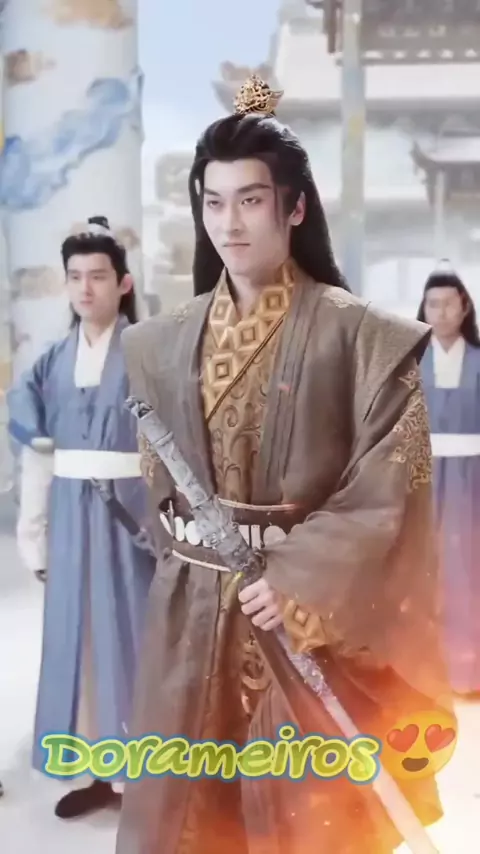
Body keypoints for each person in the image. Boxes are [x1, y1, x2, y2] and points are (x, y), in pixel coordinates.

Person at [115, 77, 453, 854]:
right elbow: (159, 489)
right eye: (213, 202)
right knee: (189, 814)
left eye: (251, 200)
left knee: (306, 816)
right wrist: (189, 565)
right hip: (194, 613)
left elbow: (391, 486)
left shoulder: (361, 338)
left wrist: (300, 577)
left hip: (305, 612)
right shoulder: (159, 343)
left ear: (294, 208)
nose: (229, 223)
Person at [7, 217, 156, 819]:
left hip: (132, 515)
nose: (85, 288)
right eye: (75, 277)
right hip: (71, 515)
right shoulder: (50, 363)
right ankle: (98, 768)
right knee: (82, 638)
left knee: (136, 637)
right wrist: (34, 534)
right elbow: (37, 453)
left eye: (98, 276)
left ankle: (146, 776)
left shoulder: (148, 351)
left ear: (123, 283)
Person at [417, 262, 480, 696]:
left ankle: (468, 672)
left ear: (465, 308)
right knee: (424, 569)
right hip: (423, 476)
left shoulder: (477, 360)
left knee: (469, 569)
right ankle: (426, 670)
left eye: (448, 304)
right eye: (432, 304)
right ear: (423, 309)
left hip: (472, 476)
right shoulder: (410, 361)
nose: (440, 312)